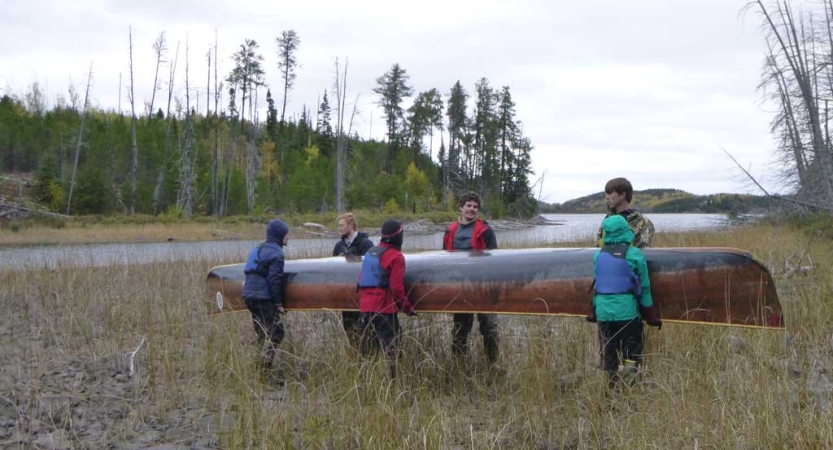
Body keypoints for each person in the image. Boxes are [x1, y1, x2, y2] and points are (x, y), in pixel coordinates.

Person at [589, 215, 662, 389]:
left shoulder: (597, 256)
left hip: (603, 314)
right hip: (627, 314)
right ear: (626, 232)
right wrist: (651, 317)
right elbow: (644, 289)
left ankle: (610, 389)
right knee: (631, 351)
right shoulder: (636, 255)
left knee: (609, 350)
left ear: (605, 234)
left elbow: (598, 283)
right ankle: (629, 389)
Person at [442, 192, 500, 366]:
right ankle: (459, 364)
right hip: (460, 286)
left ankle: (492, 363)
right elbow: (444, 257)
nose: (472, 209)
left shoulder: (486, 230)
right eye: (468, 205)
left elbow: (495, 258)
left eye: (475, 207)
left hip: (483, 286)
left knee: (489, 327)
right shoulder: (450, 230)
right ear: (461, 207)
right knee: (460, 327)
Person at [357, 219, 416, 378]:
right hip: (384, 309)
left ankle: (366, 382)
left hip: (364, 309)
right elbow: (397, 288)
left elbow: (362, 278)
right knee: (393, 349)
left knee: (367, 351)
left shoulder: (370, 253)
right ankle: (394, 382)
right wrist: (408, 309)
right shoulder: (396, 256)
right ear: (399, 236)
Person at [242, 219, 290, 386]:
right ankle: (264, 371)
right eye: (286, 234)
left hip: (248, 296)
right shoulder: (277, 253)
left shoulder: (258, 248)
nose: (288, 238)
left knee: (262, 332)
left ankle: (258, 367)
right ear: (279, 235)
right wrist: (278, 304)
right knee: (277, 333)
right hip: (263, 298)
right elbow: (274, 280)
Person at [332, 213, 375, 343]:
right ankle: (354, 353)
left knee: (365, 329)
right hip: (345, 294)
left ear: (351, 225)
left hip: (362, 293)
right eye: (338, 226)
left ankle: (369, 354)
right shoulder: (339, 246)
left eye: (342, 225)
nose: (339, 228)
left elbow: (372, 267)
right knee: (349, 328)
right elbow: (333, 268)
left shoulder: (366, 243)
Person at [597, 177, 654, 249]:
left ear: (622, 195)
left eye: (609, 193)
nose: (606, 197)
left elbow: (642, 253)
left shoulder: (641, 222)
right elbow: (599, 246)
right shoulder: (608, 219)